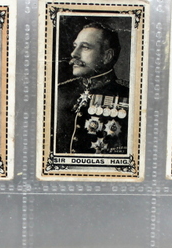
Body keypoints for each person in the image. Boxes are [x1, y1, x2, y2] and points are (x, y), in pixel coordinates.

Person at [55, 22, 129, 154]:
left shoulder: (129, 95)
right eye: (75, 46)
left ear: (107, 56)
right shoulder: (59, 91)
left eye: (85, 47)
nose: (73, 54)